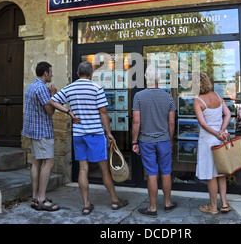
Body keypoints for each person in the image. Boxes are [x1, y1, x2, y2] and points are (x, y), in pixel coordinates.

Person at [49, 61, 128, 215]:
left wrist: (68, 112)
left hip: (79, 134)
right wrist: (109, 133)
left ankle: (86, 204)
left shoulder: (70, 88)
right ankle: (115, 201)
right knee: (104, 169)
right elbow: (103, 112)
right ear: (91, 74)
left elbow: (52, 101)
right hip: (95, 134)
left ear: (78, 73)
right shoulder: (96, 88)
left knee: (83, 169)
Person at [132, 65, 178, 217]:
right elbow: (171, 123)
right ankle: (167, 203)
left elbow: (136, 122)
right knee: (166, 172)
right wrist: (170, 139)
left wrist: (134, 141)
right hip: (164, 140)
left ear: (146, 78)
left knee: (152, 174)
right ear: (159, 79)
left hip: (146, 141)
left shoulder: (138, 96)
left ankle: (152, 208)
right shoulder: (168, 97)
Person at [23, 62, 67, 211]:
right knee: (49, 162)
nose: (52, 75)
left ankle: (35, 198)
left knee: (36, 162)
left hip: (33, 131)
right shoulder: (41, 88)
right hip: (42, 131)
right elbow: (50, 111)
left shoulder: (31, 86)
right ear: (45, 73)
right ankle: (42, 199)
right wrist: (53, 94)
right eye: (51, 72)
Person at [192, 71, 232, 214]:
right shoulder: (217, 96)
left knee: (211, 174)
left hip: (208, 140)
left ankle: (213, 207)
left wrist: (216, 133)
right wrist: (222, 131)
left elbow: (203, 124)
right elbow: (228, 114)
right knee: (221, 172)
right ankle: (225, 203)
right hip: (221, 138)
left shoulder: (198, 100)